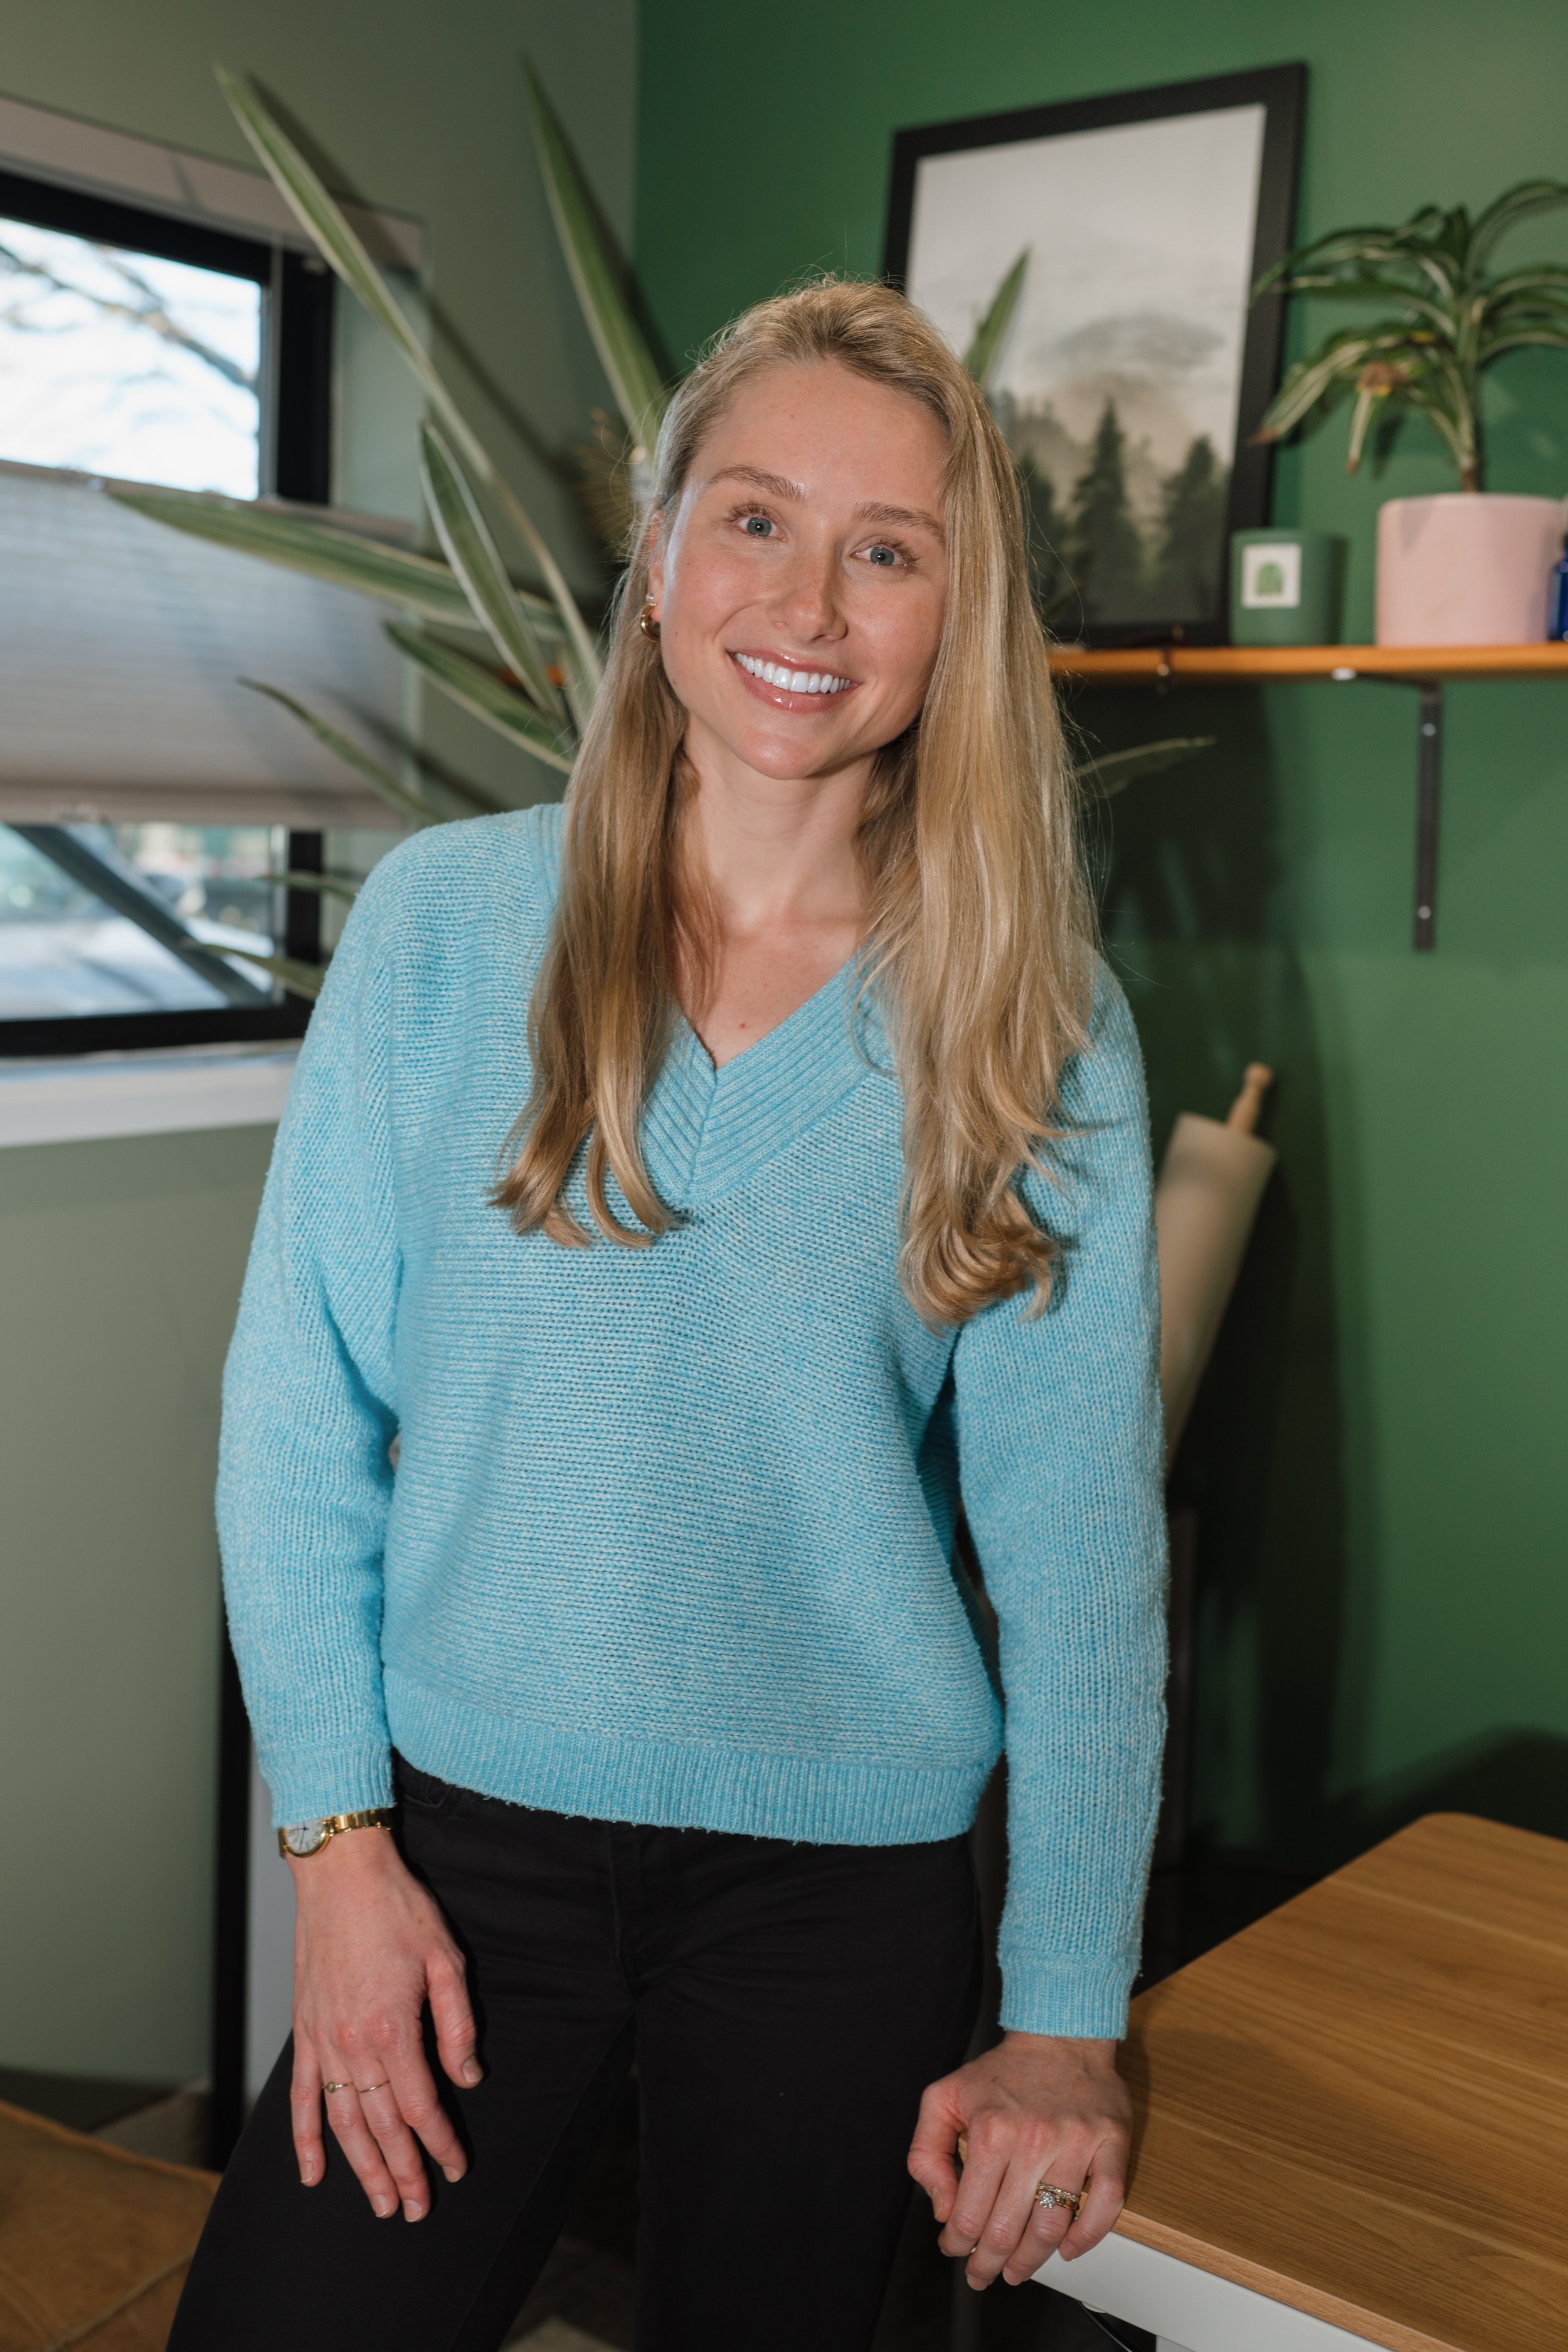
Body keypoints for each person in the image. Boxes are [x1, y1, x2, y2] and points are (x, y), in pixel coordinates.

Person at [169, 278, 1166, 2352]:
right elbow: (296, 1411)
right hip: (456, 1858)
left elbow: (1078, 1562)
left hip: (842, 1889)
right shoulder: (448, 926)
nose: (810, 598)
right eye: (755, 519)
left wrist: (1066, 2013)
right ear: (656, 561)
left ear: (951, 618)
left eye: (889, 550)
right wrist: (337, 1852)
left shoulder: (1034, 1016)